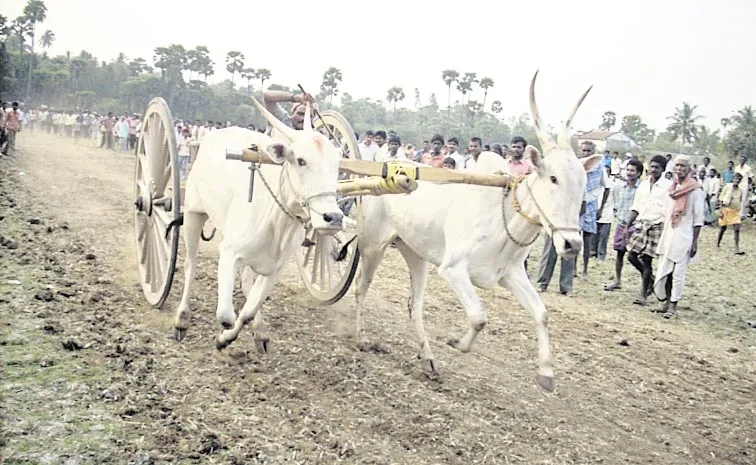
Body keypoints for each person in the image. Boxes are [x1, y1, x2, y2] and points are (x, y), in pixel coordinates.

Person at [651, 155, 704, 319]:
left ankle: (673, 305)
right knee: (664, 270)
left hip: (684, 235)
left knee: (678, 273)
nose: (679, 169)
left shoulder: (695, 191)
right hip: (669, 233)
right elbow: (666, 213)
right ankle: (664, 302)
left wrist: (694, 242)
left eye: (683, 166)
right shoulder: (672, 189)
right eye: (677, 166)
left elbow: (698, 219)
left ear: (689, 169)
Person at [624, 155, 670, 306]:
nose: (653, 170)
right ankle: (651, 281)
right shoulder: (643, 185)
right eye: (652, 166)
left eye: (657, 167)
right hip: (641, 224)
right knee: (631, 256)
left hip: (657, 225)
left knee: (647, 260)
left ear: (663, 169)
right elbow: (636, 207)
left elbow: (668, 210)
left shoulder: (668, 187)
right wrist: (627, 226)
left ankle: (643, 294)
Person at [604, 159, 643, 291]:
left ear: (639, 173)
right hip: (621, 223)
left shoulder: (641, 188)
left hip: (635, 225)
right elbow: (617, 202)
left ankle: (647, 280)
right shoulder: (621, 186)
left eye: (632, 170)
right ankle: (618, 280)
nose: (629, 173)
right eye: (628, 170)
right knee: (619, 253)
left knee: (635, 256)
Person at [716, 172, 748, 254]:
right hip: (726, 209)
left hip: (735, 212)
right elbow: (721, 198)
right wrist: (721, 210)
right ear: (733, 179)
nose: (737, 180)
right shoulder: (727, 187)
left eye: (739, 179)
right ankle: (717, 244)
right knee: (723, 228)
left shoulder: (740, 191)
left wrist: (741, 212)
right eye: (736, 178)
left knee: (737, 229)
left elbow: (740, 201)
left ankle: (737, 248)